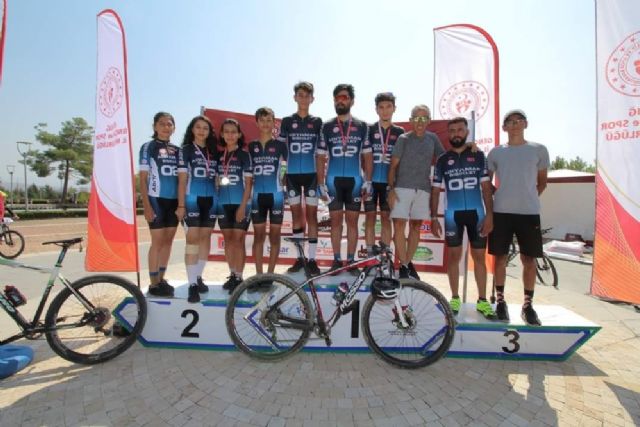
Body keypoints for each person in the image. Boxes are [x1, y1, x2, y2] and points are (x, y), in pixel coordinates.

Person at [487, 109, 550, 326]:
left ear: (525, 124)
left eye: (518, 120)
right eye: (510, 121)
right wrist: (501, 196)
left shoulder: (538, 150)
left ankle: (527, 306)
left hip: (529, 213)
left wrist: (526, 198)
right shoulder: (496, 152)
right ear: (504, 127)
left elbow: (542, 182)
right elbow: (487, 183)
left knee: (528, 260)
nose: (514, 124)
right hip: (501, 212)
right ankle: (501, 302)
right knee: (500, 259)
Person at [430, 117, 496, 320]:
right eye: (452, 131)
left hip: (477, 214)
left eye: (460, 130)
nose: (456, 134)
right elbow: (435, 190)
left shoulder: (478, 155)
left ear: (467, 132)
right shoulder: (442, 159)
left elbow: (486, 188)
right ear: (448, 134)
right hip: (453, 215)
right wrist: (433, 217)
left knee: (479, 258)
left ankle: (482, 300)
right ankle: (455, 298)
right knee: (454, 256)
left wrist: (490, 215)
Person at [317, 83, 373, 274]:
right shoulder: (326, 126)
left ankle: (350, 261)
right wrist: (320, 183)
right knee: (335, 222)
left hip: (355, 181)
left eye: (344, 97)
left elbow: (367, 156)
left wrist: (368, 181)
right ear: (334, 101)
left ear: (352, 101)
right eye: (337, 98)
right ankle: (335, 260)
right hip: (333, 182)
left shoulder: (362, 126)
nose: (341, 101)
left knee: (352, 222)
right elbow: (320, 157)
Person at [387, 105, 444, 280]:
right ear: (411, 120)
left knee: (415, 227)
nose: (420, 122)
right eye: (417, 118)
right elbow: (393, 166)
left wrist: (468, 147)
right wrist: (391, 189)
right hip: (402, 188)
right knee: (399, 226)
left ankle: (405, 264)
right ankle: (405, 265)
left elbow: (445, 159)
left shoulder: (433, 138)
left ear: (429, 121)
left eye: (424, 118)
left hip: (423, 190)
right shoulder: (403, 138)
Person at [278, 82, 322, 276]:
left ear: (312, 99)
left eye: (307, 95)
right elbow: (280, 151)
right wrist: (281, 173)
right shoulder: (287, 121)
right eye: (300, 95)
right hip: (292, 175)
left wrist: (321, 178)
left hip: (312, 175)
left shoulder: (318, 121)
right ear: (295, 97)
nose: (304, 98)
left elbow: (321, 152)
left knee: (312, 216)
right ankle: (300, 258)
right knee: (296, 216)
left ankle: (312, 259)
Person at [176, 115, 217, 304]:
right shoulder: (185, 150)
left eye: (205, 128)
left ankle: (198, 276)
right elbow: (182, 180)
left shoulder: (213, 151)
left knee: (205, 238)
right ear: (192, 129)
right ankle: (192, 284)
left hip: (211, 200)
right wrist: (181, 205)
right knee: (192, 240)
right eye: (198, 127)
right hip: (192, 199)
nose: (202, 131)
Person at [139, 112, 180, 297]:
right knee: (157, 241)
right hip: (156, 199)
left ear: (174, 128)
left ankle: (161, 278)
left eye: (169, 124)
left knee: (168, 241)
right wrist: (146, 205)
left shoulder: (177, 150)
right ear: (155, 126)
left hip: (174, 201)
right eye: (162, 123)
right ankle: (153, 282)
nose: (166, 127)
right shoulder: (148, 147)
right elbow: (143, 178)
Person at [248, 107, 288, 274]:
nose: (265, 124)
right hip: (257, 197)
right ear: (257, 123)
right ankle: (259, 275)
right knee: (258, 236)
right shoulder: (251, 146)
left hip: (276, 196)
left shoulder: (280, 146)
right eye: (262, 120)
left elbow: (287, 166)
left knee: (274, 236)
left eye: (269, 120)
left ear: (274, 123)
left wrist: (284, 180)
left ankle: (270, 274)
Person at [364, 92, 404, 254]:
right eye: (381, 107)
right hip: (371, 182)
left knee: (386, 219)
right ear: (376, 110)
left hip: (389, 183)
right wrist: (365, 180)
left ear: (394, 109)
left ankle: (385, 256)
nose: (385, 110)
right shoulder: (369, 129)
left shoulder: (400, 131)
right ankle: (370, 255)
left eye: (388, 107)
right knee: (370, 218)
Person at [216, 118, 252, 293]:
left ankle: (239, 277)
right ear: (222, 134)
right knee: (228, 240)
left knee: (238, 241)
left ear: (239, 134)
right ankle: (232, 274)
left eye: (233, 132)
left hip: (240, 203)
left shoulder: (244, 155)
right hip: (223, 203)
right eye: (226, 132)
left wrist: (243, 206)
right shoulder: (218, 156)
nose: (230, 135)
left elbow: (249, 183)